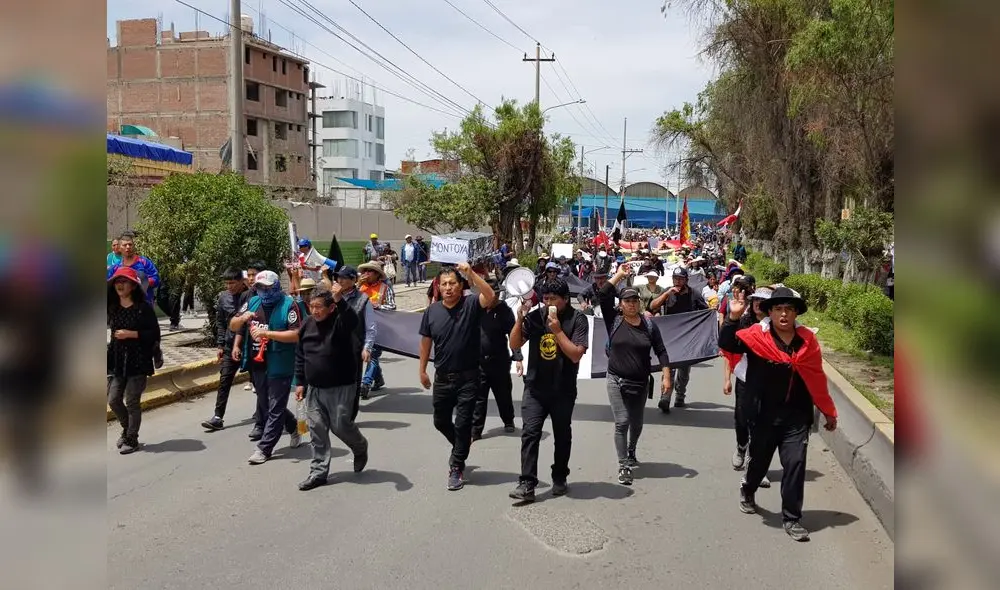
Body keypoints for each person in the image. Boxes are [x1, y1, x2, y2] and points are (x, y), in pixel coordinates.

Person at [720, 287, 838, 542]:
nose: (784, 314)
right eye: (778, 309)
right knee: (759, 463)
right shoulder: (755, 336)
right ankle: (748, 489)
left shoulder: (807, 341)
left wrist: (828, 412)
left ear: (796, 313)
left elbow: (817, 378)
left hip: (796, 417)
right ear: (770, 312)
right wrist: (732, 319)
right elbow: (727, 344)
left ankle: (792, 518)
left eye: (789, 309)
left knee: (795, 464)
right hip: (763, 416)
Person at [508, 278, 589, 503]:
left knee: (562, 435)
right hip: (535, 388)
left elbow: (575, 354)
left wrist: (557, 331)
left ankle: (560, 475)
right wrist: (519, 320)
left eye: (553, 299)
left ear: (565, 299)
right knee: (530, 434)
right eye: (545, 299)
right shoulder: (536, 317)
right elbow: (515, 344)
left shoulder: (578, 320)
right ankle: (527, 483)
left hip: (563, 389)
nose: (548, 303)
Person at [418, 263, 496, 491]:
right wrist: (422, 370)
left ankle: (456, 466)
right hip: (442, 378)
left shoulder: (470, 304)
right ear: (438, 287)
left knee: (463, 424)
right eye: (444, 284)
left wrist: (470, 273)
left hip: (469, 379)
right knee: (440, 421)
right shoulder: (432, 311)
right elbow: (425, 341)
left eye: (453, 283)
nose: (448, 288)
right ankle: (461, 446)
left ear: (460, 285)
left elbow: (489, 295)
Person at [293, 283, 368, 491]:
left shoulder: (341, 322)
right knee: (316, 429)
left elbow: (353, 320)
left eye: (319, 307)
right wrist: (300, 382)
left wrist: (339, 300)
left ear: (331, 308)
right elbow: (300, 355)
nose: (315, 311)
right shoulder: (307, 325)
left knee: (340, 425)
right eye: (312, 306)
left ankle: (360, 447)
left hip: (341, 386)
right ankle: (318, 473)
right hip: (315, 388)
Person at [601, 266, 671, 486]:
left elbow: (661, 350)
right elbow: (603, 293)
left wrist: (666, 376)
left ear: (639, 303)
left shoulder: (649, 325)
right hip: (615, 379)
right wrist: (620, 274)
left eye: (634, 300)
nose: (631, 304)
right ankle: (624, 465)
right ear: (621, 304)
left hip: (640, 382)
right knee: (622, 422)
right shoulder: (613, 320)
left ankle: (631, 450)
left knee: (637, 423)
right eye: (627, 300)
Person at [229, 271, 303, 465]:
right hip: (257, 362)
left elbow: (296, 334)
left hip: (280, 363)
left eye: (268, 288)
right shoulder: (253, 302)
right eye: (260, 288)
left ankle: (265, 448)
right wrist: (243, 318)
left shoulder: (289, 304)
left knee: (275, 406)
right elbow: (232, 324)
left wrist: (268, 334)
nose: (264, 291)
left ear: (277, 287)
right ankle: (294, 426)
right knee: (267, 403)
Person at [721, 285, 773, 488]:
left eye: (764, 300)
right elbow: (728, 348)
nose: (758, 304)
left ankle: (758, 468)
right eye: (756, 299)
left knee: (762, 427)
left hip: (771, 384)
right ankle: (741, 446)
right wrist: (732, 317)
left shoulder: (778, 325)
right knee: (742, 421)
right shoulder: (743, 321)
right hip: (746, 380)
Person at [107, 266, 160, 454]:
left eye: (124, 282)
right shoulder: (112, 308)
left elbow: (154, 333)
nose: (120, 285)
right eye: (117, 282)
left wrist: (132, 334)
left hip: (138, 361)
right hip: (117, 362)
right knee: (113, 400)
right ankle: (127, 428)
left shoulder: (143, 308)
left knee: (132, 402)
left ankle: (132, 438)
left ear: (133, 286)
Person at [648, 266, 709, 412]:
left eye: (681, 278)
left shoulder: (694, 294)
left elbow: (705, 312)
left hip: (688, 338)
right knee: (669, 367)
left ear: (686, 280)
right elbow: (652, 306)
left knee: (684, 369)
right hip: (670, 336)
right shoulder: (668, 291)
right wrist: (666, 294)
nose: (678, 281)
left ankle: (680, 395)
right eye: (675, 278)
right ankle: (665, 397)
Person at [201, 267, 251, 431]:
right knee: (224, 381)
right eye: (227, 283)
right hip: (230, 346)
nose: (229, 286)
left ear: (241, 282)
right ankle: (218, 417)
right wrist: (220, 345)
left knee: (260, 383)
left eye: (232, 283)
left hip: (250, 346)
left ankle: (265, 413)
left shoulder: (251, 296)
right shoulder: (224, 298)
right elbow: (221, 323)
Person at [471, 283, 518, 440]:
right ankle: (476, 430)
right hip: (478, 361)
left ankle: (508, 420)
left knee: (503, 394)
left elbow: (514, 335)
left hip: (499, 361)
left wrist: (517, 357)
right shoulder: (476, 309)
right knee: (479, 397)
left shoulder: (504, 311)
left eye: (494, 295)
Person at [334, 266, 377, 418]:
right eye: (338, 277)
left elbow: (371, 327)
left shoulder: (363, 300)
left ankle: (349, 417)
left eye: (344, 278)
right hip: (333, 348)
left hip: (353, 348)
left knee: (352, 385)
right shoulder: (331, 297)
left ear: (353, 280)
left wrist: (367, 348)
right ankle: (336, 414)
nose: (340, 280)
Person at [357, 261, 395, 397]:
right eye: (365, 270)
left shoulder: (384, 287)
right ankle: (378, 379)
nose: (366, 273)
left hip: (379, 327)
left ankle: (366, 383)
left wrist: (376, 306)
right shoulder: (359, 288)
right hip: (360, 328)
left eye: (370, 271)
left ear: (377, 274)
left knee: (372, 354)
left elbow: (392, 306)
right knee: (371, 355)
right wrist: (357, 285)